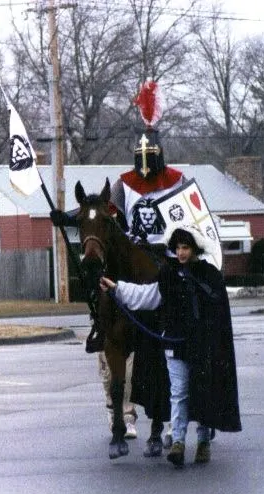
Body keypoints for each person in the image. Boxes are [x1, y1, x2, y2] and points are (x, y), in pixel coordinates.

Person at [50, 80, 181, 453]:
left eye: (150, 156)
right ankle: (100, 327)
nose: (145, 163)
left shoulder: (175, 182)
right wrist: (67, 218)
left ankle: (159, 423)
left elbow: (184, 217)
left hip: (165, 252)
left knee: (170, 289)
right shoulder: (123, 185)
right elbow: (103, 217)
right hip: (133, 246)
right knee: (104, 282)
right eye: (140, 156)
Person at [99, 224, 241, 467]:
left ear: (195, 248)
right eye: (177, 248)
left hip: (202, 346)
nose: (181, 252)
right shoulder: (168, 274)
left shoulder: (210, 275)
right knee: (178, 392)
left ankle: (203, 441)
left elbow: (218, 315)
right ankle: (178, 442)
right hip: (174, 344)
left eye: (185, 247)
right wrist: (118, 289)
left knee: (201, 391)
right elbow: (148, 296)